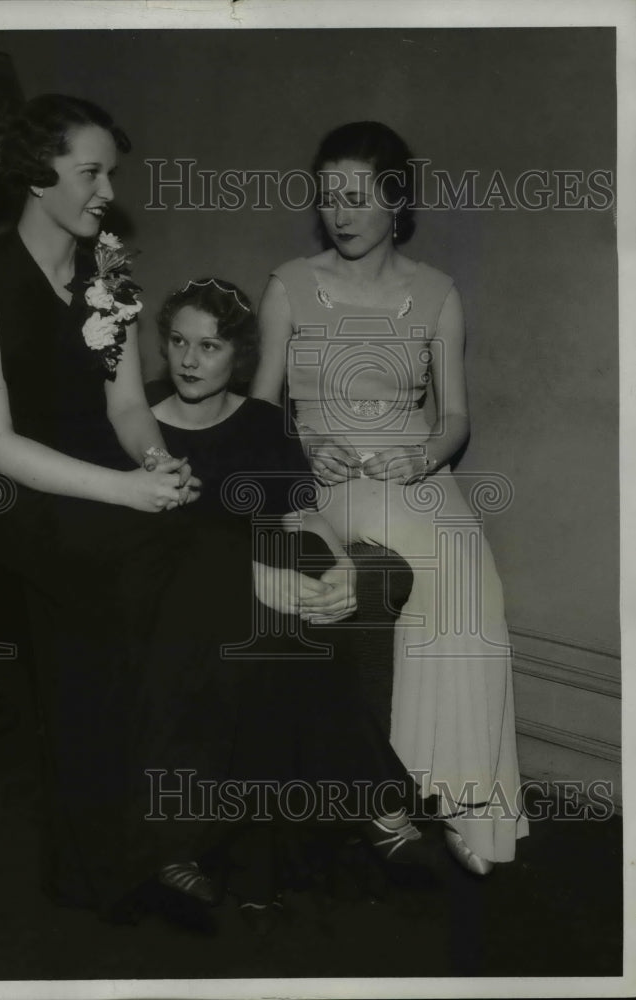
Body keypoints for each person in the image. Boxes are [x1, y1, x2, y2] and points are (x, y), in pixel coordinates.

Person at [0, 94, 255, 923]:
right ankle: (112, 863)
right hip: (18, 494)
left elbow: (125, 411)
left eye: (107, 174)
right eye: (90, 173)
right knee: (126, 590)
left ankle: (172, 832)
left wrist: (162, 465)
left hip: (102, 476)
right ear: (37, 173)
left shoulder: (107, 269)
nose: (103, 191)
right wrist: (128, 491)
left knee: (215, 557)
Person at [250, 121, 528, 874]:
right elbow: (257, 410)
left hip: (414, 469)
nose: (339, 213)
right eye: (328, 196)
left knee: (476, 586)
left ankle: (463, 803)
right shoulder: (290, 285)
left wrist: (425, 455)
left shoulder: (435, 292)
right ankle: (391, 795)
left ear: (394, 201)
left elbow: (456, 417)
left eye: (357, 197)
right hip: (333, 475)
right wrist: (308, 445)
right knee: (423, 574)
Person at [129, 276, 441, 930]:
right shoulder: (135, 423)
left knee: (283, 630)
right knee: (262, 613)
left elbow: (302, 515)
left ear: (237, 356)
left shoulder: (260, 425)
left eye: (208, 347)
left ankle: (188, 845)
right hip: (167, 602)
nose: (189, 360)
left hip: (254, 609)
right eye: (179, 342)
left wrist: (345, 569)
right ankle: (378, 804)